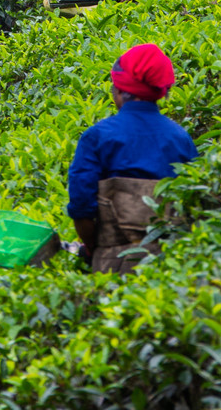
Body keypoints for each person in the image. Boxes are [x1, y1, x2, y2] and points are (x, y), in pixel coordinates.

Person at [67, 42, 199, 275]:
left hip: (111, 263)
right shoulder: (181, 139)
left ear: (118, 90)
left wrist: (93, 249)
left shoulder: (97, 138)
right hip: (172, 265)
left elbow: (82, 210)